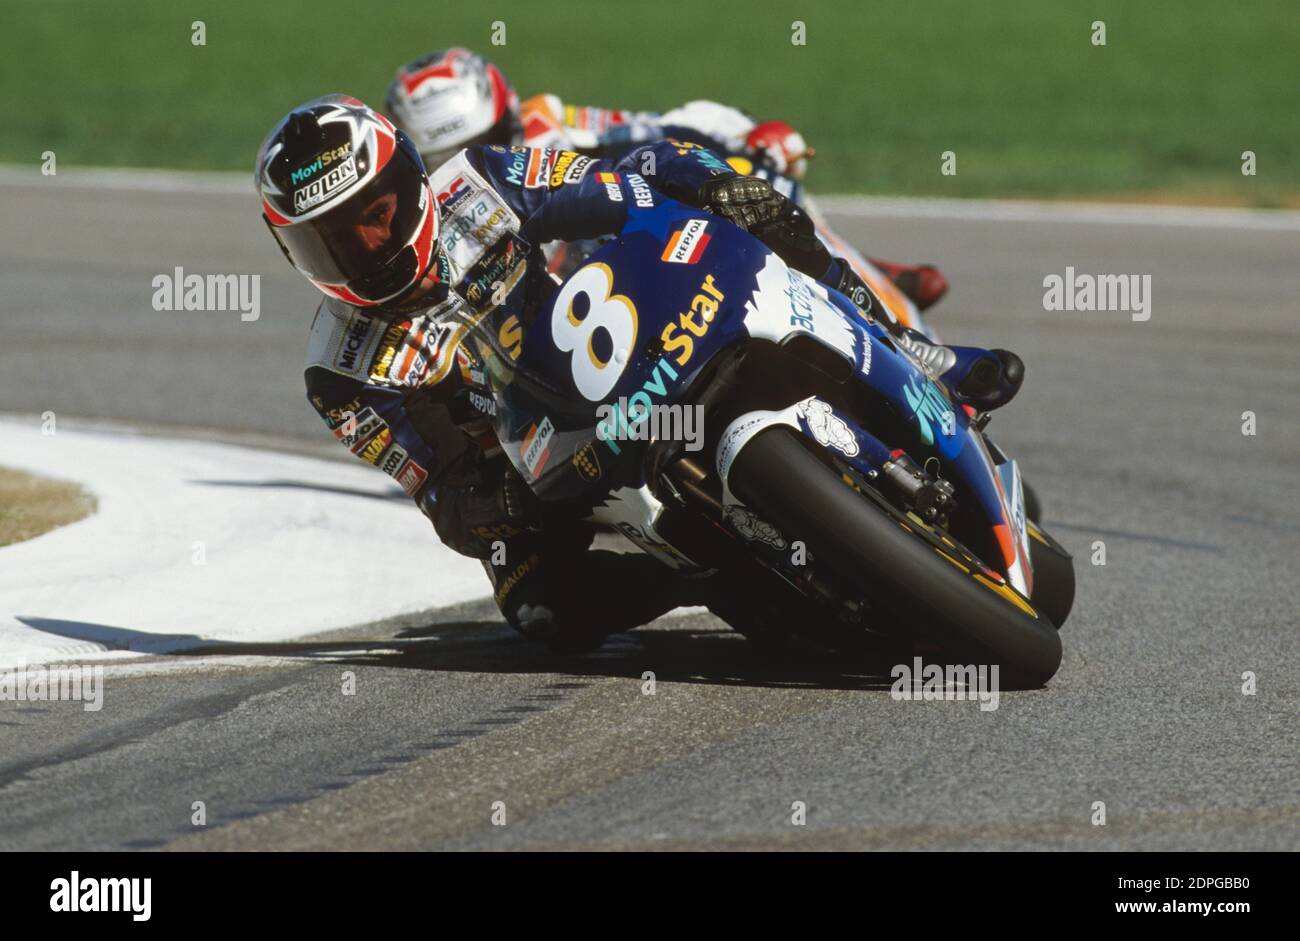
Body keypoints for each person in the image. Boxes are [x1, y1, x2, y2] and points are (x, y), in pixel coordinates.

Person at [255, 96, 1021, 651]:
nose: (367, 245)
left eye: (375, 214)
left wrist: (703, 187)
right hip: (538, 455)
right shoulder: (342, 372)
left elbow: (614, 181)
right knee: (541, 610)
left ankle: (912, 349)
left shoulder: (480, 183)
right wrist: (501, 499)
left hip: (626, 324)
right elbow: (444, 496)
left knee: (744, 199)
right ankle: (703, 574)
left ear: (412, 182)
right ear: (292, 251)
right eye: (333, 241)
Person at [383, 47, 948, 314]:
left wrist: (748, 139)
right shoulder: (433, 228)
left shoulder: (546, 124)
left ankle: (872, 283)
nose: (476, 161)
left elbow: (653, 128)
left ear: (505, 115)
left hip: (646, 234)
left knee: (746, 177)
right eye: (449, 157)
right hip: (592, 314)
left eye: (484, 140)